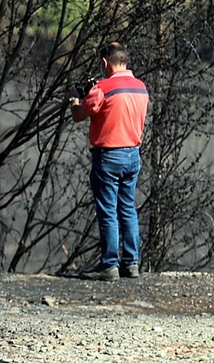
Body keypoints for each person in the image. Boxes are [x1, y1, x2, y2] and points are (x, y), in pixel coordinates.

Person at [69, 40, 149, 281]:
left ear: (105, 62)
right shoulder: (141, 87)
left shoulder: (103, 88)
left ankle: (109, 264)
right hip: (132, 154)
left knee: (108, 211)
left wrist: (74, 98)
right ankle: (131, 263)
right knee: (127, 209)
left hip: (108, 156)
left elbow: (79, 115)